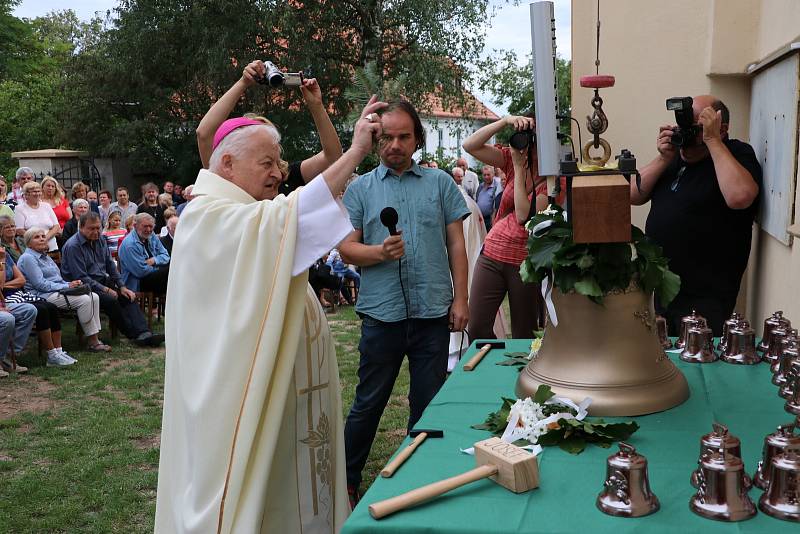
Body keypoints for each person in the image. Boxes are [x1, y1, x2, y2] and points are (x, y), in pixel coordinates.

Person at [154, 98, 386, 534]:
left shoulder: (239, 213)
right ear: (226, 163)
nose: (279, 173)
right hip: (233, 395)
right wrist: (356, 153)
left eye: (279, 163)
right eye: (267, 162)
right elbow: (291, 217)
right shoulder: (208, 215)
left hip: (278, 391)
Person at [339, 99, 470, 504]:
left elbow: (456, 245)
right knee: (369, 402)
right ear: (375, 137)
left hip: (433, 312)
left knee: (428, 405)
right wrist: (379, 254)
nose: (395, 144)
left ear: (417, 139)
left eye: (404, 136)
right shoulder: (360, 188)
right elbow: (346, 249)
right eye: (387, 136)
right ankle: (346, 478)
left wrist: (461, 299)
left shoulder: (440, 183)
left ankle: (421, 478)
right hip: (382, 315)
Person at [631, 95, 762, 335]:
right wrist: (663, 157)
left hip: (706, 296)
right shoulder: (675, 158)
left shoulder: (735, 153)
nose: (688, 138)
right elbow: (632, 194)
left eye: (697, 129)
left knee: (698, 363)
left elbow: (740, 196)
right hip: (663, 288)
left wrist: (712, 142)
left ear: (721, 129)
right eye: (684, 129)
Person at [463, 115, 554, 341]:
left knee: (524, 333)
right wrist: (505, 121)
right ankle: (492, 371)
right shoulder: (514, 160)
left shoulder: (554, 181)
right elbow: (470, 145)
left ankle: (519, 376)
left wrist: (518, 166)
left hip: (523, 261)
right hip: (492, 253)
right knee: (477, 327)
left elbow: (524, 215)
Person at [196, 60, 343, 197]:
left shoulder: (286, 178)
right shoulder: (225, 182)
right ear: (229, 164)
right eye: (266, 163)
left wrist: (316, 105)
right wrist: (243, 82)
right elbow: (204, 134)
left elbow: (332, 157)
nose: (277, 175)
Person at [60, 212, 163, 347]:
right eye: (92, 228)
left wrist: (122, 286)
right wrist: (106, 289)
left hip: (101, 280)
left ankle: (145, 332)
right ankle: (134, 335)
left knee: (128, 296)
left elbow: (110, 265)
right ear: (81, 228)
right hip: (80, 287)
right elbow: (81, 277)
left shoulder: (101, 240)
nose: (96, 231)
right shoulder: (73, 246)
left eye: (98, 228)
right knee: (111, 300)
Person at [18, 227, 110, 354]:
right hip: (41, 295)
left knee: (94, 296)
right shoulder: (28, 258)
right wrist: (66, 286)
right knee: (84, 300)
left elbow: (58, 278)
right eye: (36, 237)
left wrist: (70, 284)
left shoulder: (45, 257)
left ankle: (94, 337)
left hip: (56, 291)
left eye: (43, 236)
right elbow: (39, 284)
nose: (41, 239)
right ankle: (93, 341)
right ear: (28, 243)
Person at [118, 213, 170, 294]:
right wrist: (159, 267)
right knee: (169, 272)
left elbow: (166, 255)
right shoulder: (130, 244)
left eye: (151, 226)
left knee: (172, 270)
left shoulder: (151, 235)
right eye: (145, 226)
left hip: (151, 275)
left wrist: (154, 260)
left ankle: (165, 303)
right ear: (135, 226)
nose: (149, 229)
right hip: (137, 282)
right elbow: (140, 271)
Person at [14, 181, 61, 253]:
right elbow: (19, 230)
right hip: (33, 248)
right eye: (34, 191)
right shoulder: (19, 209)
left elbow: (56, 226)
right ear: (26, 195)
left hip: (51, 247)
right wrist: (37, 240)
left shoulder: (46, 206)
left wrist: (45, 238)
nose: (37, 194)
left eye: (39, 191)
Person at [474, 165, 503, 231]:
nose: (486, 177)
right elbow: (477, 199)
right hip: (480, 219)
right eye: (484, 175)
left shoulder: (497, 186)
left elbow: (497, 205)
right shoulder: (481, 186)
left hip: (490, 220)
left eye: (488, 175)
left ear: (493, 174)